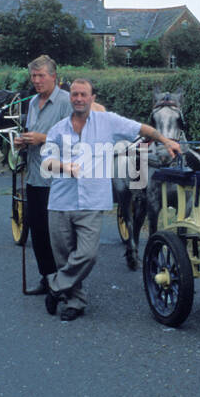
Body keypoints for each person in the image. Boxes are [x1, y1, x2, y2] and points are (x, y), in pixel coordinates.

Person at [41, 78, 180, 321]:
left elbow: (141, 129)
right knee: (63, 256)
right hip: (60, 202)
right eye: (74, 94)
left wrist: (166, 140)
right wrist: (64, 167)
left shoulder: (108, 122)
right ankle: (74, 301)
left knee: (87, 255)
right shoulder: (58, 129)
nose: (79, 99)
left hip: (92, 203)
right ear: (69, 97)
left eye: (84, 94)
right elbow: (46, 163)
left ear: (92, 98)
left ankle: (54, 285)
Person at [14, 55, 72, 297]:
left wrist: (43, 139)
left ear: (53, 77)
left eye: (41, 76)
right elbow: (31, 134)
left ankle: (67, 283)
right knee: (37, 231)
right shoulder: (34, 102)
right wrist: (23, 143)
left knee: (59, 235)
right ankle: (47, 277)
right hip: (35, 177)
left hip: (59, 180)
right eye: (33, 76)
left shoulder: (67, 102)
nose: (36, 81)